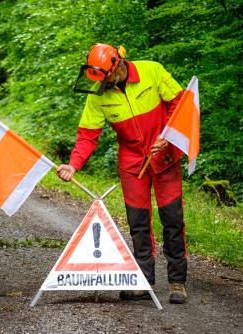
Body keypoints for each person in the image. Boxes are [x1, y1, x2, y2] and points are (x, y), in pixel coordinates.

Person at [57, 43, 188, 304]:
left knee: (172, 218)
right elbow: (87, 135)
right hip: (131, 163)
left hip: (164, 156)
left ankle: (177, 281)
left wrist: (169, 135)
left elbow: (181, 103)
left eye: (105, 76)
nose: (102, 83)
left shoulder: (152, 71)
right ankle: (142, 281)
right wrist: (73, 164)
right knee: (138, 222)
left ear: (117, 65)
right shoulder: (97, 95)